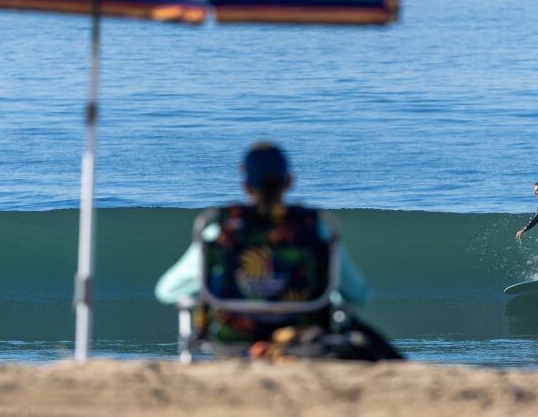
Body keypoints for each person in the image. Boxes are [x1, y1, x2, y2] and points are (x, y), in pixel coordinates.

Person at [156, 142, 399, 360]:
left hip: (232, 340)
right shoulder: (316, 228)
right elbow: (359, 295)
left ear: (246, 186)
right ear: (289, 181)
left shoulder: (221, 229)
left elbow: (167, 291)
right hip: (301, 341)